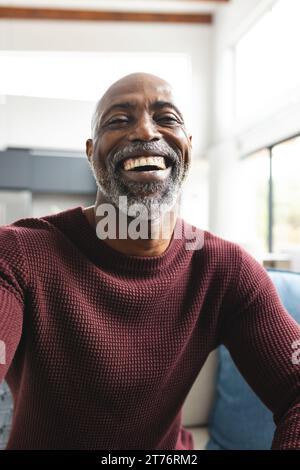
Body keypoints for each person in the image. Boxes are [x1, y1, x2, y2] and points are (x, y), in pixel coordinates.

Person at [0, 72, 299, 450]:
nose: (144, 131)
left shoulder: (225, 269)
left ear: (187, 147)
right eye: (119, 120)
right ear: (92, 154)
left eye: (166, 118)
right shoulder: (19, 254)